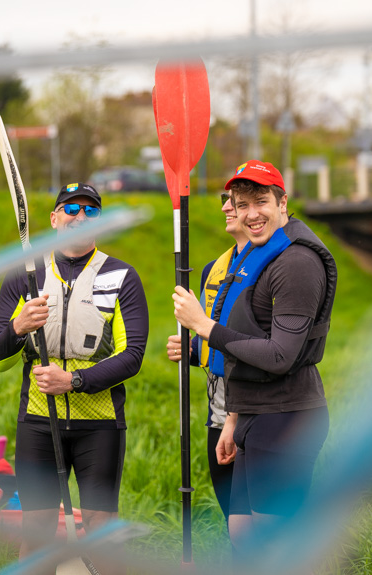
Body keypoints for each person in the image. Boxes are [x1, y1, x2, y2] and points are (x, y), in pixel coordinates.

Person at [172, 160, 337, 553]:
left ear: (282, 203)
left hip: (287, 420)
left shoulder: (297, 263)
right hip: (254, 417)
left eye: (260, 202)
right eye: (241, 204)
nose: (251, 214)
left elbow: (280, 355)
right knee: (244, 539)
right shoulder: (257, 256)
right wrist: (234, 420)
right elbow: (251, 339)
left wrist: (206, 328)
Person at [0, 183, 149, 559]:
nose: (80, 217)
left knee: (101, 530)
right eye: (71, 209)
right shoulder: (24, 276)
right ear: (54, 218)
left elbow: (134, 355)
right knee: (38, 532)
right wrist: (18, 328)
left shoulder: (122, 276)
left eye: (91, 211)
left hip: (101, 425)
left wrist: (74, 381)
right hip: (39, 424)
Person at [166, 189, 248, 520]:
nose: (227, 207)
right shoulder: (214, 269)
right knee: (233, 516)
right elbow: (215, 333)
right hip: (217, 412)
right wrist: (192, 350)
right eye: (226, 201)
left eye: (237, 201)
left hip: (255, 412)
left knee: (259, 523)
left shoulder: (274, 267)